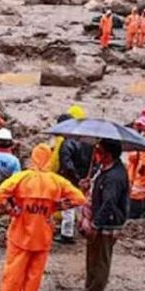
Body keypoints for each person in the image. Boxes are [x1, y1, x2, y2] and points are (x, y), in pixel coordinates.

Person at [0, 144, 86, 291]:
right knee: (34, 274)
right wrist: (57, 206)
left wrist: (10, 210)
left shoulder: (21, 178)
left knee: (14, 271)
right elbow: (80, 198)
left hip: (20, 233)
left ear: (33, 158)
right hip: (42, 235)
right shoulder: (56, 181)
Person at [73, 139, 128, 291]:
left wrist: (96, 224)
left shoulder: (114, 177)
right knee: (92, 256)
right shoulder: (105, 169)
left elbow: (109, 203)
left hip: (107, 223)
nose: (96, 154)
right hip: (100, 219)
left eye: (99, 151)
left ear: (107, 155)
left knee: (101, 259)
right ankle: (90, 287)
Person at [52, 105, 92, 244]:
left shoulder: (67, 144)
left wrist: (74, 179)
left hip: (71, 180)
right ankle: (83, 228)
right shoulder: (87, 141)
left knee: (68, 209)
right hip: (85, 177)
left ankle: (67, 235)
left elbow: (67, 165)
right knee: (82, 205)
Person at [128, 109, 145, 219]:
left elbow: (143, 161)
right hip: (135, 176)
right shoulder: (140, 136)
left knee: (134, 208)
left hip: (140, 180)